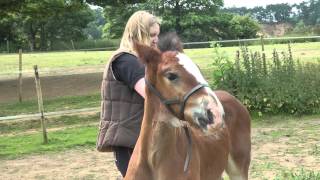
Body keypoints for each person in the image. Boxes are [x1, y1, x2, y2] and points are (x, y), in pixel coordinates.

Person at [96, 10, 160, 177]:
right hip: (129, 138)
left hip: (140, 135)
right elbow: (152, 95)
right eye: (152, 35)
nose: (156, 40)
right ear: (139, 34)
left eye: (157, 35)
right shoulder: (127, 61)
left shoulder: (137, 60)